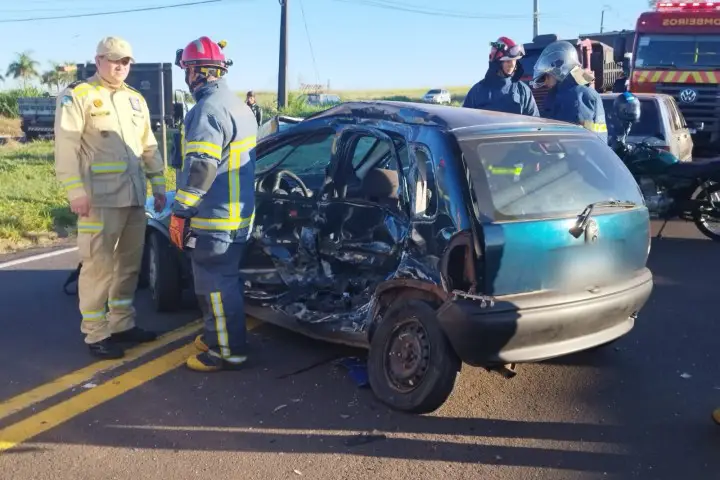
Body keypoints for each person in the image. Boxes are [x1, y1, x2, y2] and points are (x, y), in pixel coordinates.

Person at [54, 36, 167, 359]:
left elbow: (148, 145)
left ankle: (122, 324)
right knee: (98, 267)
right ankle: (96, 334)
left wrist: (159, 185)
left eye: (126, 61)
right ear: (98, 60)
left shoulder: (135, 99)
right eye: (114, 60)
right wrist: (75, 191)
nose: (120, 66)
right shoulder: (79, 96)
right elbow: (66, 147)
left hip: (133, 196)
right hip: (99, 199)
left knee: (129, 266)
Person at [171, 36, 258, 372]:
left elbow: (201, 168)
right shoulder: (239, 106)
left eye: (187, 70)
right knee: (222, 282)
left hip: (215, 218)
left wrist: (181, 211)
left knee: (216, 286)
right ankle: (215, 336)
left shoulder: (207, 110)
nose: (186, 77)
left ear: (196, 72)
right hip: (237, 216)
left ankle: (227, 352)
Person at [531, 40, 608, 144]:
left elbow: (574, 140)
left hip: (580, 153)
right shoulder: (573, 92)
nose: (545, 83)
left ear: (557, 71)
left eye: (546, 77)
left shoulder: (575, 96)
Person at [463, 36, 539, 117]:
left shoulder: (523, 91)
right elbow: (465, 120)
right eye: (507, 61)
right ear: (496, 63)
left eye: (514, 60)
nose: (512, 64)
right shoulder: (477, 92)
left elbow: (534, 121)